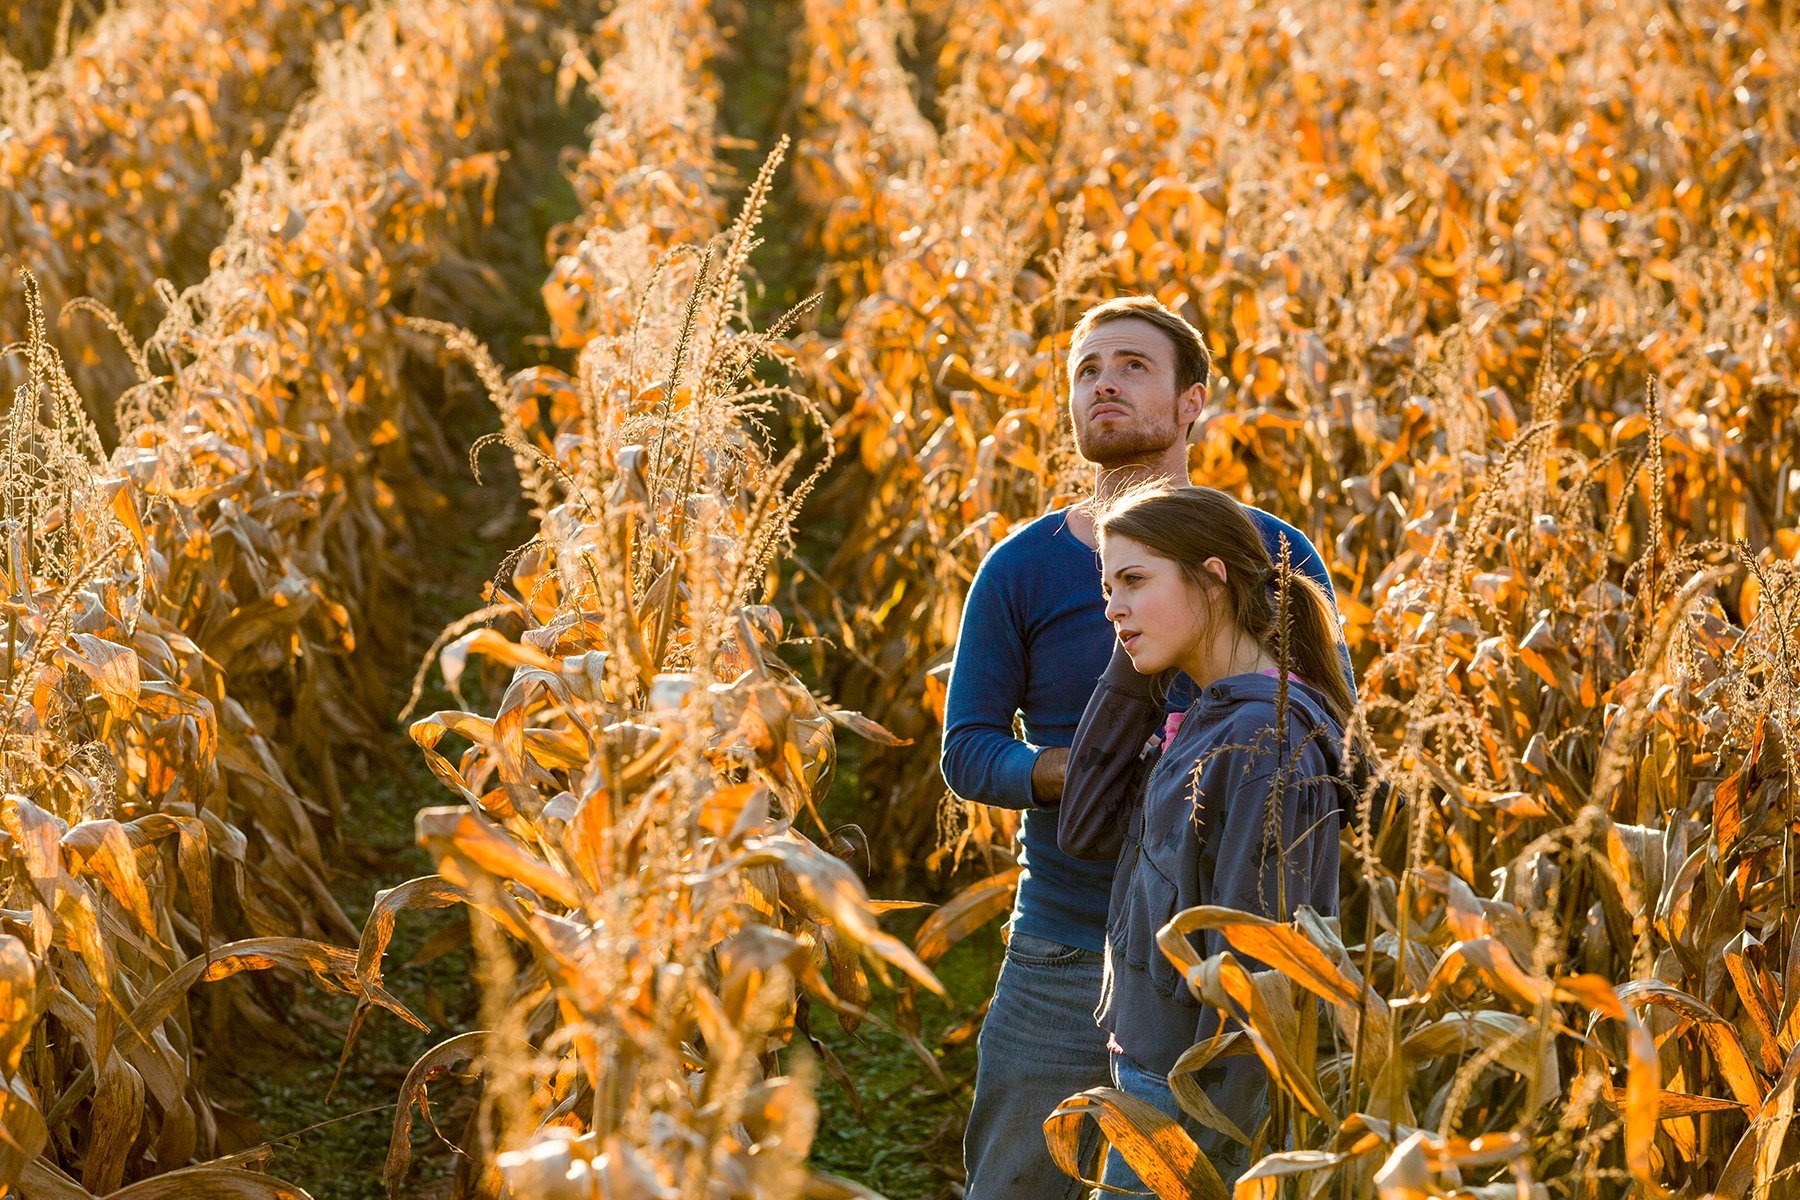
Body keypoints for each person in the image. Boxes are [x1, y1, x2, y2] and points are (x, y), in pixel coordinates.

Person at [941, 295, 1344, 1199]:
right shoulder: (1021, 565)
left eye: (1131, 366)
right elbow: (966, 750)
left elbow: (1330, 732)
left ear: (1192, 401)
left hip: (1212, 961)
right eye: (1086, 370)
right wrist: (1070, 773)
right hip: (1063, 936)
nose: (1104, 385)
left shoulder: (1269, 552)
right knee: (1015, 1182)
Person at [1060, 485, 1353, 1190]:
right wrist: (1136, 650)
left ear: (1213, 577)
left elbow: (1256, 973)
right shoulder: (1212, 715)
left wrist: (1209, 1156)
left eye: (1133, 580)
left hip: (1187, 1104)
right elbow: (1083, 826)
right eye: (1106, 588)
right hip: (1147, 1069)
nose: (1112, 607)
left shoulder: (1263, 738)